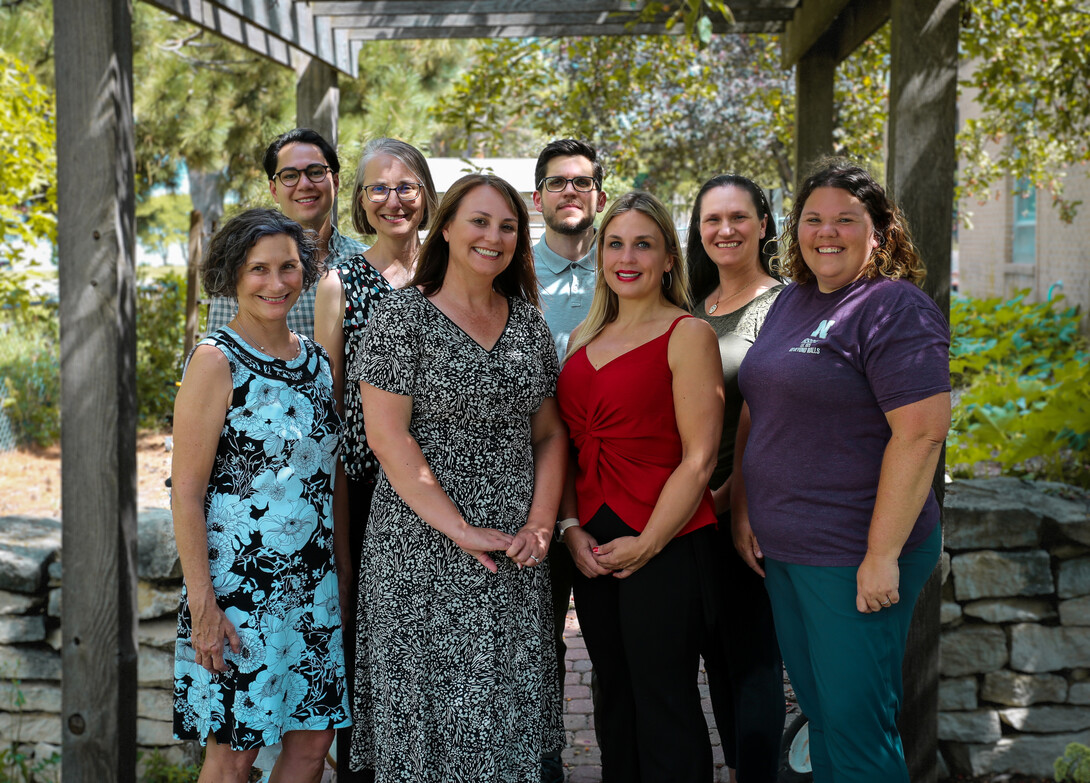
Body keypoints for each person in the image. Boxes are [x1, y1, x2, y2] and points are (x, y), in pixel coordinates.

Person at [733, 159, 950, 783]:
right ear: (795, 229)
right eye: (813, 219)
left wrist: (881, 554)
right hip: (788, 550)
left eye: (846, 220)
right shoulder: (793, 301)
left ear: (879, 232)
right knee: (822, 720)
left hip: (854, 554)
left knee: (857, 729)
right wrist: (747, 510)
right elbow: (763, 408)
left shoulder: (893, 308)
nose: (827, 232)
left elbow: (922, 432)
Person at [348, 174, 566, 782]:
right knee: (431, 731)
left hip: (514, 551)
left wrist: (543, 524)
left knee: (507, 719)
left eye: (507, 225)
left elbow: (549, 433)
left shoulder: (528, 324)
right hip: (419, 552)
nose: (493, 236)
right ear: (445, 227)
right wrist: (460, 529)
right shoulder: (401, 320)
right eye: (479, 221)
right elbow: (388, 439)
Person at [171, 208, 350, 783]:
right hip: (239, 597)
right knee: (233, 754)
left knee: (311, 743)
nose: (276, 283)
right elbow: (186, 494)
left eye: (288, 268)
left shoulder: (319, 363)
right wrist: (204, 605)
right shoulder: (214, 360)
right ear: (233, 275)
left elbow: (331, 481)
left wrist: (342, 579)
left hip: (313, 591)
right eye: (259, 270)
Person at [557, 191, 724, 782]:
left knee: (665, 699)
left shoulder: (688, 335)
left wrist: (649, 541)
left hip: (668, 540)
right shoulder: (581, 338)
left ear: (669, 258)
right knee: (614, 695)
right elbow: (569, 450)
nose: (627, 257)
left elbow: (700, 459)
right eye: (615, 243)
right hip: (594, 546)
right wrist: (571, 530)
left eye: (644, 244)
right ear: (601, 254)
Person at [312, 137, 438, 782]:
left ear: (426, 194)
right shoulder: (340, 282)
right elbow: (328, 408)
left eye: (406, 185)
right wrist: (333, 519)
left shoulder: (451, 276)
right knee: (371, 647)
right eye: (378, 188)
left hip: (449, 483)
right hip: (369, 491)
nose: (394, 199)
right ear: (360, 201)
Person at [685, 174, 785, 783]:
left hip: (747, 515)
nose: (725, 230)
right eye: (711, 220)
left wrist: (731, 502)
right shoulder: (697, 309)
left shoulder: (786, 307)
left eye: (738, 218)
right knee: (716, 664)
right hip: (694, 515)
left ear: (765, 224)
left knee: (752, 665)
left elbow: (776, 419)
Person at [530, 138, 607, 783]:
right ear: (538, 198)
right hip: (529, 487)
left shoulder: (623, 271)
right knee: (536, 642)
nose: (569, 192)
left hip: (611, 483)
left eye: (581, 183)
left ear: (599, 198)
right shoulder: (510, 272)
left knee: (615, 641)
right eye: (557, 182)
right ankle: (545, 759)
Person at [206, 128, 367, 337]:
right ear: (274, 190)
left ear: (335, 182)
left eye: (316, 172)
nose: (305, 185)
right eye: (290, 176)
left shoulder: (366, 263)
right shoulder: (242, 264)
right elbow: (216, 353)